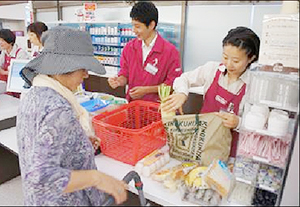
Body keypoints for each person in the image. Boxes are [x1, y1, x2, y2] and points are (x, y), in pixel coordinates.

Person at [17, 26, 127, 206]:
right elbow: (40, 179)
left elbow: (41, 149)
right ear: (64, 66)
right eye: (82, 67)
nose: (86, 74)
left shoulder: (32, 93)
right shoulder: (58, 109)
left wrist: (79, 144)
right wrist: (96, 177)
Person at [162, 26, 260, 158]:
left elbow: (259, 125)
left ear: (251, 58)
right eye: (225, 57)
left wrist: (238, 122)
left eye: (236, 61)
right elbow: (183, 78)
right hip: (202, 143)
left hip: (230, 151)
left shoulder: (254, 85)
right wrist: (182, 93)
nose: (229, 64)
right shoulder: (212, 69)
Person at [108, 1, 182, 103]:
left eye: (138, 26)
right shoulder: (129, 48)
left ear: (151, 25)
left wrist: (146, 90)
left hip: (156, 109)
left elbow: (173, 85)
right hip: (133, 106)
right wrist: (119, 81)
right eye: (133, 26)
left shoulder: (170, 52)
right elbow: (125, 74)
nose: (134, 30)